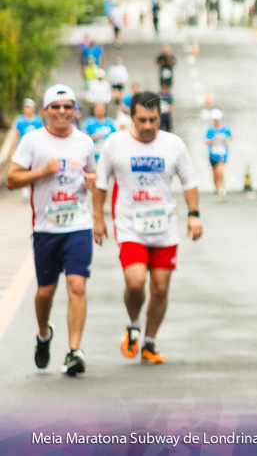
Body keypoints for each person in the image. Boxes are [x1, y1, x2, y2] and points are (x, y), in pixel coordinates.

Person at [92, 91, 203, 364]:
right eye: (142, 120)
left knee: (161, 289)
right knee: (135, 281)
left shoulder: (174, 145)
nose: (148, 126)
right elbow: (100, 183)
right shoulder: (115, 144)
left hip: (165, 228)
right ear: (131, 116)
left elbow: (190, 182)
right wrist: (98, 218)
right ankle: (133, 324)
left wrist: (194, 214)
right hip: (130, 226)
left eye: (154, 120)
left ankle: (149, 342)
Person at [5, 84, 96, 376]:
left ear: (74, 111)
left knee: (77, 285)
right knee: (45, 292)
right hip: (45, 229)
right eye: (55, 107)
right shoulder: (32, 142)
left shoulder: (85, 142)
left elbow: (91, 174)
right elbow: (12, 180)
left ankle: (74, 351)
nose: (61, 111)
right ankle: (44, 334)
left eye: (67, 106)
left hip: (78, 225)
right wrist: (42, 171)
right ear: (45, 111)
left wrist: (91, 182)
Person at [205, 108, 232, 197]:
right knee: (214, 173)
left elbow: (230, 137)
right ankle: (216, 187)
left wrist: (228, 142)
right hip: (213, 154)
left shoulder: (226, 128)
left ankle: (222, 187)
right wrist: (213, 140)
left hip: (222, 153)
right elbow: (206, 142)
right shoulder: (210, 129)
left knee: (220, 171)